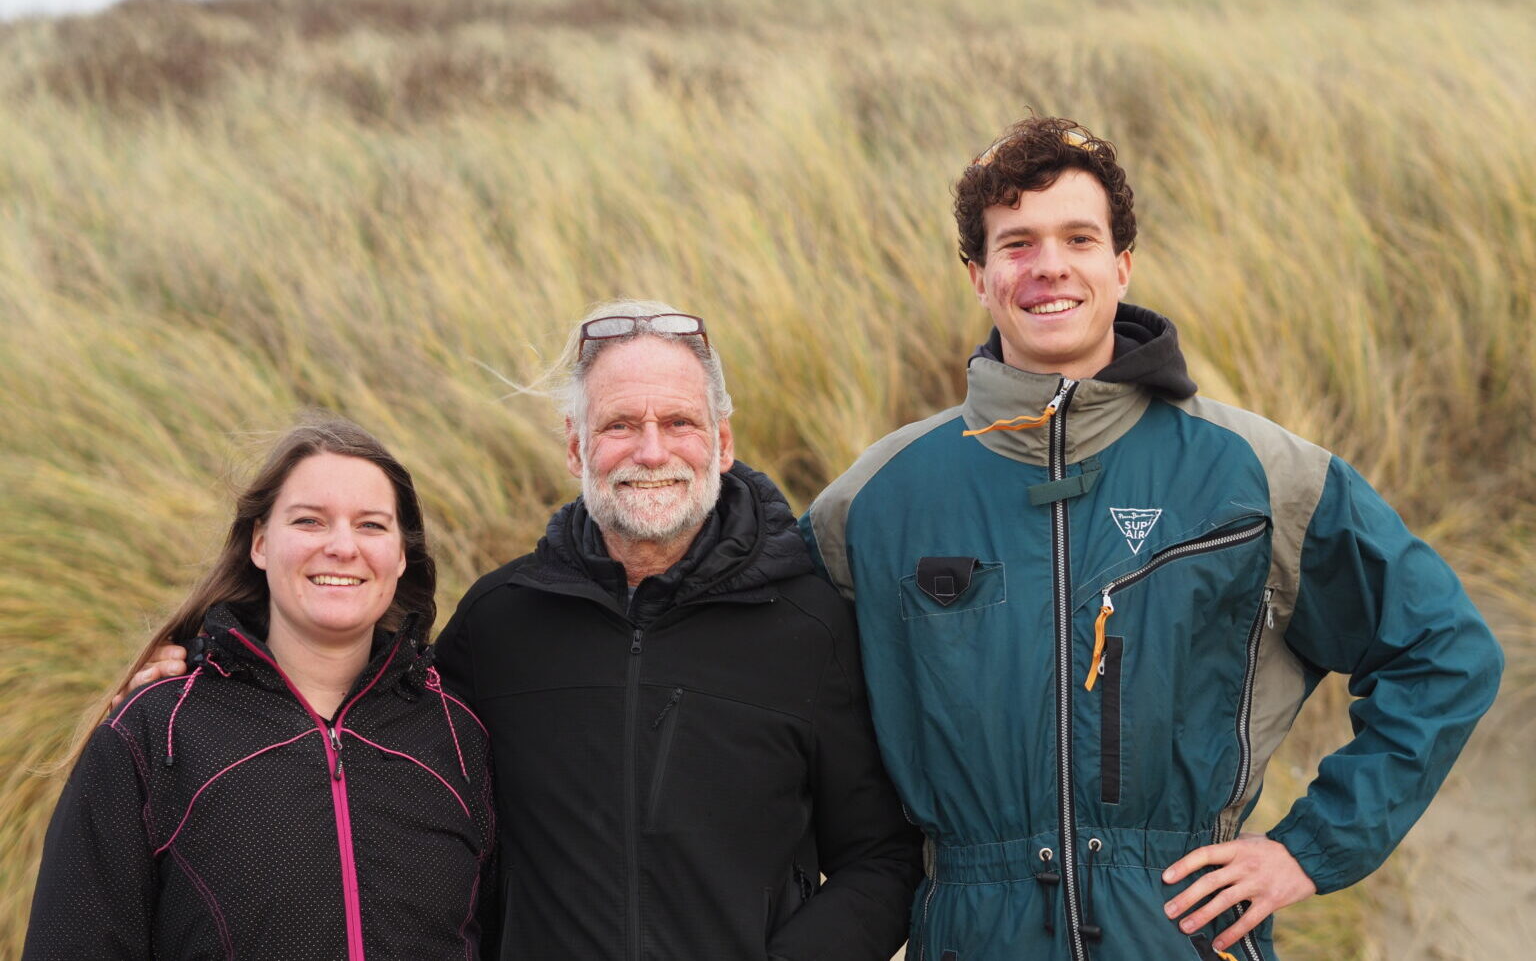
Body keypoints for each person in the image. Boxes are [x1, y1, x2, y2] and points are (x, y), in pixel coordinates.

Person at [802, 117, 1503, 961]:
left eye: (1078, 237)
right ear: (979, 276)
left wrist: (1305, 851)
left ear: (1121, 264)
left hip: (1180, 930)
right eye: (1016, 243)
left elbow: (1445, 648)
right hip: (970, 931)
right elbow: (770, 702)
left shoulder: (1256, 472)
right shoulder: (877, 499)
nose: (1048, 265)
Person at [432, 300, 922, 960]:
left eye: (679, 421)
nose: (652, 449)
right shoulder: (496, 623)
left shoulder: (810, 624)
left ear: (722, 441)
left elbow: (881, 857)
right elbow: (431, 841)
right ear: (576, 445)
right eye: (620, 424)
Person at [24, 418, 495, 960]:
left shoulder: (459, 737)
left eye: (371, 525)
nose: (343, 547)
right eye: (310, 521)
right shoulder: (157, 732)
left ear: (402, 555)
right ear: (261, 543)